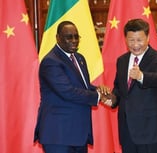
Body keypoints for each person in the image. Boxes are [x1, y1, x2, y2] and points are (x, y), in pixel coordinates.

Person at [34, 21, 109, 153]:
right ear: (58, 38)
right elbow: (67, 91)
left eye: (76, 36)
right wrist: (98, 96)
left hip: (78, 133)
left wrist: (97, 89)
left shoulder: (79, 58)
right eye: (69, 37)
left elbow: (82, 85)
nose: (74, 40)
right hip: (58, 134)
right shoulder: (51, 61)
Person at [105, 18, 157, 153]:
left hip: (150, 131)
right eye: (131, 40)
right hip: (127, 131)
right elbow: (119, 88)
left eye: (139, 40)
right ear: (125, 39)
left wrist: (141, 76)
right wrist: (111, 99)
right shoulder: (122, 60)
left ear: (148, 38)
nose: (135, 45)